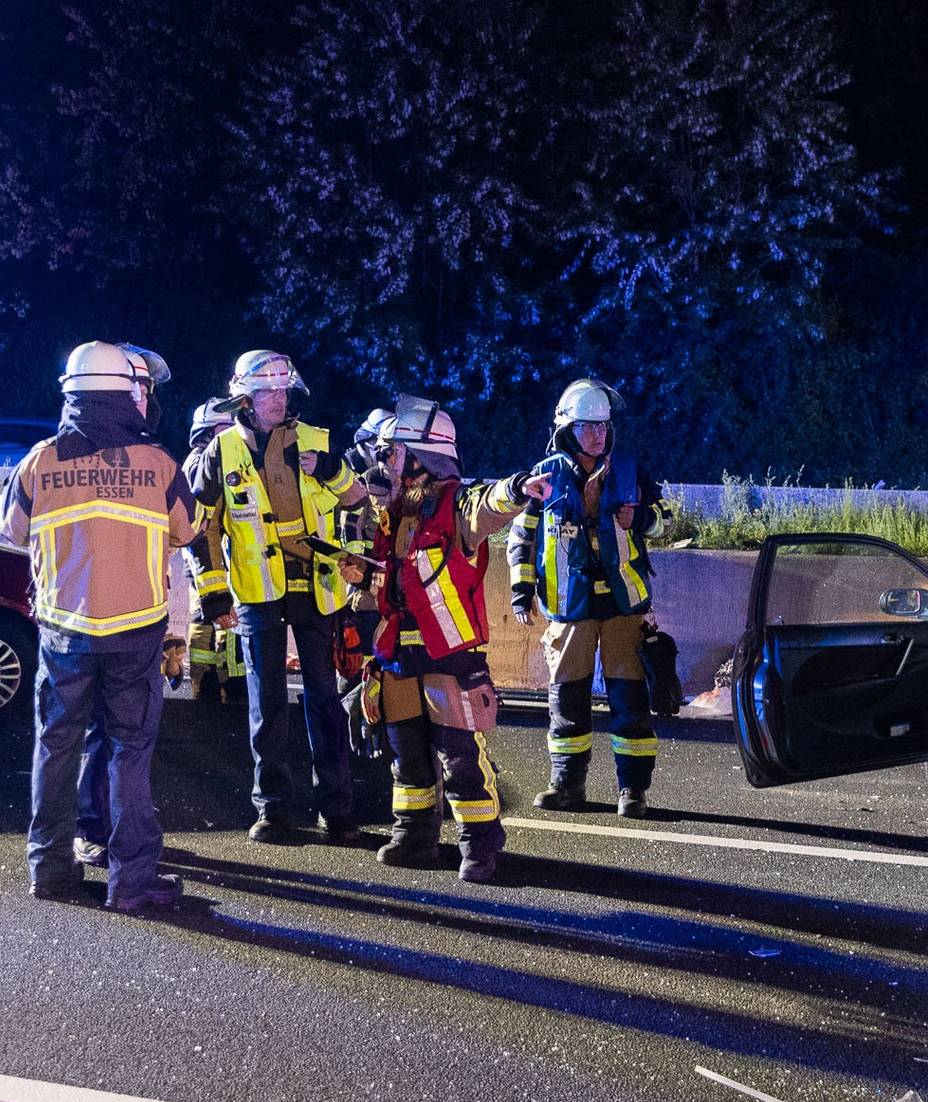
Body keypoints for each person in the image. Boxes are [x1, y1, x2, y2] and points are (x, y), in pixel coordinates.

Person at [0, 339, 196, 912]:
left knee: (56, 749)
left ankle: (49, 872)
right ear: (124, 395)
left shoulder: (41, 460)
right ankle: (130, 883)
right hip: (136, 631)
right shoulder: (158, 464)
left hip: (64, 630)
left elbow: (11, 527)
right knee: (129, 752)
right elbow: (188, 529)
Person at [180, 351, 376, 846]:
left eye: (283, 390)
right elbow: (201, 527)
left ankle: (337, 810)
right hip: (255, 590)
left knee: (324, 702)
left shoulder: (319, 441)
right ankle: (272, 810)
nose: (277, 398)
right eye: (267, 391)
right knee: (266, 704)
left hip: (316, 585)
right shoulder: (220, 451)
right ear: (245, 397)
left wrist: (332, 472)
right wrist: (214, 593)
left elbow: (360, 508)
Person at [360, 396, 545, 882]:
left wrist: (519, 489)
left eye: (394, 452)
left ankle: (480, 843)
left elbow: (489, 506)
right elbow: (394, 581)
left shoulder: (455, 506)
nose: (385, 460)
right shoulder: (393, 512)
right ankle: (415, 835)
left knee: (460, 752)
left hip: (449, 654)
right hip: (398, 653)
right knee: (406, 750)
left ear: (423, 455)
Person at [508, 377, 665, 818]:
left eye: (602, 426)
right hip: (570, 606)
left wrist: (643, 518)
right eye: (586, 427)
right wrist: (521, 591)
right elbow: (521, 538)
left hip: (622, 606)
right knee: (567, 700)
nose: (596, 434)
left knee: (629, 700)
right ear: (566, 430)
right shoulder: (544, 477)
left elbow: (666, 523)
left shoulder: (631, 469)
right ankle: (567, 786)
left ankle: (633, 792)